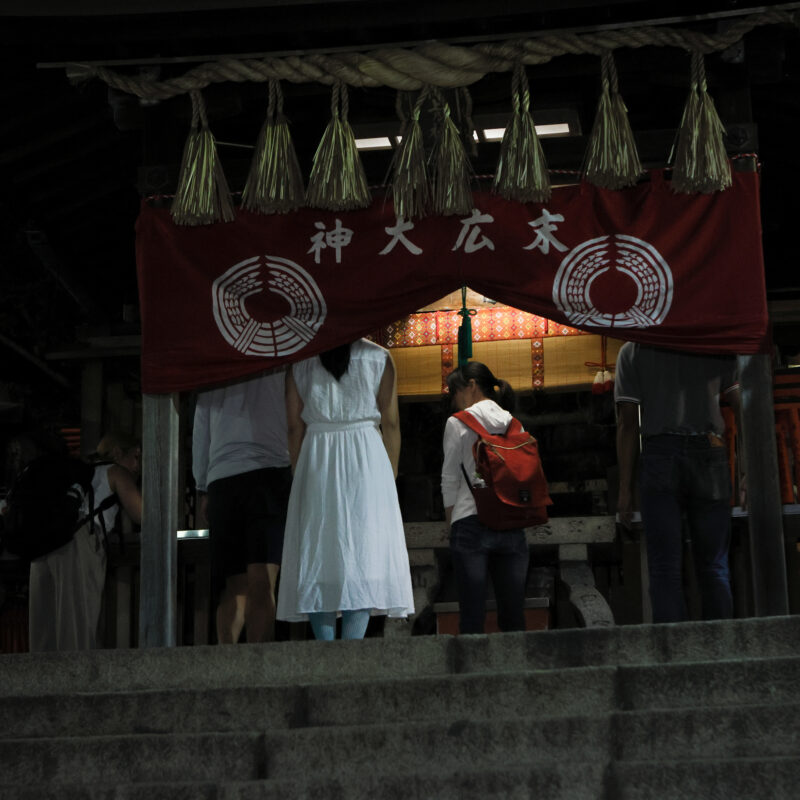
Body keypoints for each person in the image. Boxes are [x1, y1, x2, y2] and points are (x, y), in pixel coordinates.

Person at [276, 338, 414, 641]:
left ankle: (326, 647)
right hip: (367, 457)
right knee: (363, 555)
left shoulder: (300, 362)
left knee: (318, 553)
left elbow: (293, 427)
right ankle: (353, 645)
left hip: (317, 456)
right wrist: (387, 478)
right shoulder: (379, 356)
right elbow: (390, 424)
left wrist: (300, 472)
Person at [614, 342, 741, 623]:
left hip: (660, 452)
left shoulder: (633, 349)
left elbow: (627, 422)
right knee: (714, 566)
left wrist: (625, 489)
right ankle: (721, 651)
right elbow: (740, 400)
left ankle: (673, 656)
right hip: (710, 449)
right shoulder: (711, 343)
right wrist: (751, 468)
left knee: (664, 570)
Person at [192, 371, 292, 644]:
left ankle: (228, 667)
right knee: (263, 582)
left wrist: (202, 484)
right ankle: (257, 670)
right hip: (269, 471)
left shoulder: (218, 354)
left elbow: (201, 422)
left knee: (234, 587)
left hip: (223, 477)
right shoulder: (278, 351)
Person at [28, 430, 142, 652]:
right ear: (118, 452)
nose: (138, 465)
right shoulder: (116, 471)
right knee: (77, 623)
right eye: (136, 456)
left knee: (44, 627)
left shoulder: (78, 473)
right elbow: (142, 514)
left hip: (44, 541)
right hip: (79, 540)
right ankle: (76, 682)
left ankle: (44, 682)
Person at [441, 361, 530, 634]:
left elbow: (450, 479)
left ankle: (472, 676)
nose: (454, 400)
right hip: (512, 522)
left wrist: (451, 524)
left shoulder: (456, 423)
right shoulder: (513, 423)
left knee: (472, 617)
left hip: (470, 522)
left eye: (455, 391)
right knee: (514, 617)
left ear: (471, 386)